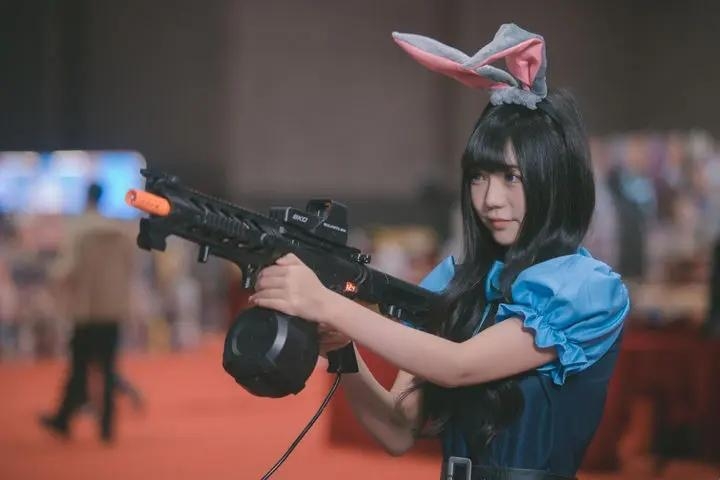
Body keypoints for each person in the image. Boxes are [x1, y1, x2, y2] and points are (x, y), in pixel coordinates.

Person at [250, 24, 630, 480]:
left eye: (511, 177)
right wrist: (344, 350)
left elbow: (458, 366)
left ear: (555, 181)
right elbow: (397, 431)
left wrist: (327, 303)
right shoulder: (456, 282)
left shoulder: (584, 290)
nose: (490, 199)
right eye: (478, 177)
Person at [39, 183, 138, 443]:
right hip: (112, 309)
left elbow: (67, 269)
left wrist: (52, 283)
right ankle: (106, 426)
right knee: (108, 367)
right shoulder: (119, 230)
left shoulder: (78, 229)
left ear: (85, 198)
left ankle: (63, 419)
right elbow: (130, 267)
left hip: (87, 309)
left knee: (79, 366)